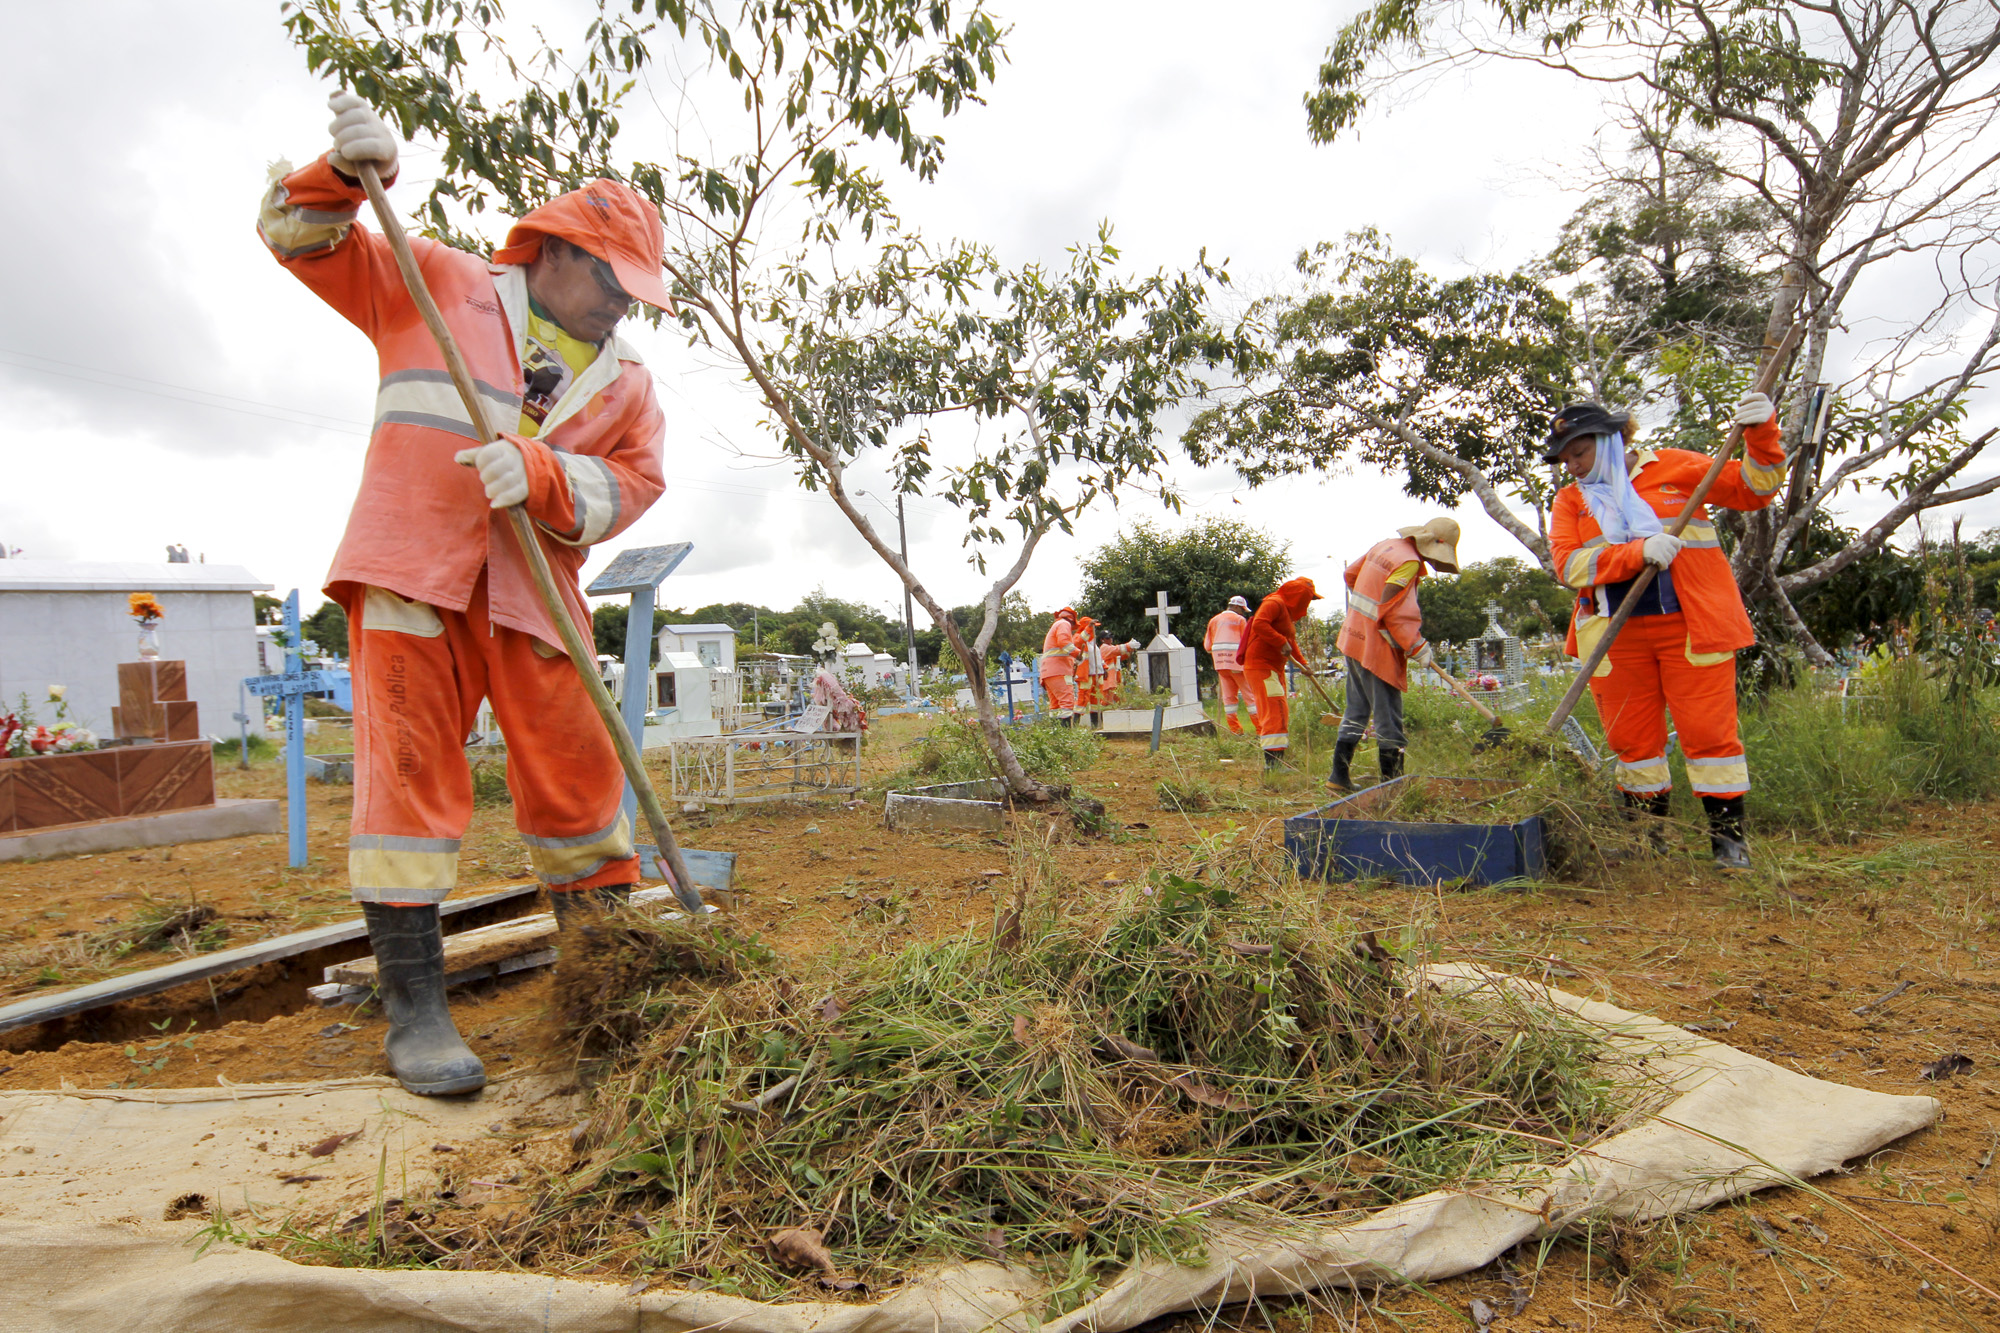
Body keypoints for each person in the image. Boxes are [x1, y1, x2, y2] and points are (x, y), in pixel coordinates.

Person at [259, 93, 674, 1096]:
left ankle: (605, 993)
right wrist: (340, 174)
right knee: (406, 788)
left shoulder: (629, 386)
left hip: (534, 595)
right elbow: (300, 238)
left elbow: (631, 489)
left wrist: (537, 478)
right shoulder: (434, 282)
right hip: (415, 571)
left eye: (635, 294)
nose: (623, 305)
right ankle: (417, 1015)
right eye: (614, 283)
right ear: (559, 251)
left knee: (580, 788)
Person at [1544, 393, 1784, 869]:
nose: (1571, 466)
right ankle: (1646, 845)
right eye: (1565, 457)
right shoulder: (1571, 500)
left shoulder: (1675, 467)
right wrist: (1636, 553)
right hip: (1615, 637)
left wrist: (1762, 433)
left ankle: (1729, 846)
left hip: (1692, 627)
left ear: (1611, 439)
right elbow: (1569, 565)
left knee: (1710, 736)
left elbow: (1756, 488)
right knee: (1633, 744)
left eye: (1579, 452)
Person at [1330, 518, 1460, 792]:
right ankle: (1392, 786)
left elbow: (1351, 575)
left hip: (1353, 638)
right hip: (1377, 647)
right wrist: (1416, 645)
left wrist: (1368, 613)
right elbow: (1395, 608)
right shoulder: (1409, 562)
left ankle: (1338, 776)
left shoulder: (1385, 546)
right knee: (1388, 716)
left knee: (1356, 711)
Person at [1239, 578, 1323, 768]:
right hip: (1261, 667)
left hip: (1274, 669)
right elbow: (1260, 624)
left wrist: (1304, 664)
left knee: (1280, 709)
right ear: (1299, 596)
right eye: (1309, 599)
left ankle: (1277, 761)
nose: (1308, 605)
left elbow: (1290, 642)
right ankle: (1273, 765)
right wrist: (1279, 641)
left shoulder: (1286, 613)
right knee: (1275, 710)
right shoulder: (1274, 603)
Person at [1203, 595, 1258, 734]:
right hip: (1237, 665)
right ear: (1237, 607)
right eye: (1242, 610)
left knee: (1229, 700)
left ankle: (1236, 730)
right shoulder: (1239, 620)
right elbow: (1247, 642)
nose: (1243, 613)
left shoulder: (1213, 620)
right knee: (1250, 697)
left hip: (1220, 665)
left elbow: (1208, 646)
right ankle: (1260, 729)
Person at [1039, 607, 1081, 722]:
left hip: (1048, 672)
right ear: (1071, 620)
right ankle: (1067, 734)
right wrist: (1078, 653)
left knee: (1055, 705)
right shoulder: (1064, 624)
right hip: (1059, 671)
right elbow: (1064, 642)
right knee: (1067, 701)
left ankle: (1057, 735)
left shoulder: (1055, 626)